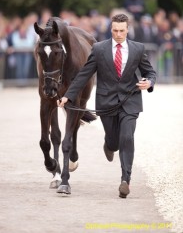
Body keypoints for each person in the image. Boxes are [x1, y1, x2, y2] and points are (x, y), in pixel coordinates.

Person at [57, 14, 156, 198]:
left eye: (122, 30)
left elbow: (149, 72)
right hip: (107, 103)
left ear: (127, 30)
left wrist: (149, 82)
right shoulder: (99, 49)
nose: (118, 34)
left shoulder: (137, 48)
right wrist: (67, 97)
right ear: (111, 29)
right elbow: (84, 75)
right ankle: (109, 144)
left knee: (127, 137)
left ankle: (125, 180)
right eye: (115, 30)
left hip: (130, 101)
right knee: (114, 141)